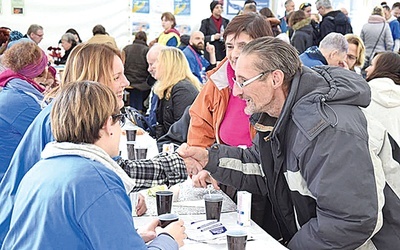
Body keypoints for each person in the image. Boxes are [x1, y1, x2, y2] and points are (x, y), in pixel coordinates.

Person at [179, 36, 400, 249]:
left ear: (275, 79)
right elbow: (262, 166)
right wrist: (211, 158)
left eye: (244, 81)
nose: (236, 91)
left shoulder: (327, 130)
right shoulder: (277, 117)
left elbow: (349, 221)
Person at [0, 43, 189, 246]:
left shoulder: (67, 116)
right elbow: (105, 175)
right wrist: (168, 240)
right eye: (116, 77)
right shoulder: (62, 122)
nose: (126, 82)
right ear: (92, 81)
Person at [188, 13, 281, 239]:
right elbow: (200, 122)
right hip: (228, 175)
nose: (235, 53)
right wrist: (203, 163)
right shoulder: (219, 79)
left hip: (264, 180)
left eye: (243, 45)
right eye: (229, 46)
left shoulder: (273, 82)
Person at [0, 40, 47, 181]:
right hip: (11, 179)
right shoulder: (24, 103)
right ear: (38, 72)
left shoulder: (11, 88)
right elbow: (50, 137)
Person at [153, 47, 201, 139]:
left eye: (158, 61)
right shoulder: (169, 88)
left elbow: (181, 133)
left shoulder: (183, 90)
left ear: (168, 65)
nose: (154, 66)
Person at [363, 52, 400, 144]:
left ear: (382, 68)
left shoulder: (362, 96)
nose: (367, 69)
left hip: (364, 155)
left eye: (371, 65)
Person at [123, 31, 151, 112]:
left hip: (128, 80)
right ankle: (139, 110)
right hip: (142, 82)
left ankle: (134, 110)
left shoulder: (126, 48)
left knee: (135, 93)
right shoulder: (147, 50)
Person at [361, 6, 393, 74]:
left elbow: (361, 43)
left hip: (366, 56)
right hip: (380, 57)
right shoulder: (385, 26)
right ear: (382, 14)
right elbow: (389, 43)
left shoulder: (365, 26)